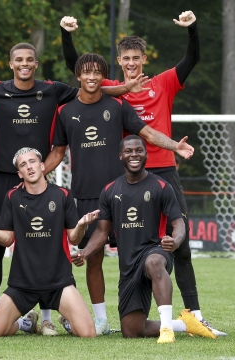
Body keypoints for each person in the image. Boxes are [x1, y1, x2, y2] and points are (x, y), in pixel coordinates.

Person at [0, 43, 147, 336]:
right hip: (2, 177)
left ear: (35, 62)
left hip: (36, 175)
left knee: (44, 241)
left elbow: (90, 90)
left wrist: (123, 88)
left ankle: (46, 315)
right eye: (18, 60)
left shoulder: (53, 89)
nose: (24, 64)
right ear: (11, 64)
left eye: (29, 59)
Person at [61, 12, 225, 336]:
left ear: (144, 59)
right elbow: (78, 69)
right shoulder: (111, 87)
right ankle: (122, 316)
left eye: (137, 57)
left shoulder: (162, 82)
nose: (132, 63)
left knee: (181, 244)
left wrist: (192, 29)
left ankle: (194, 315)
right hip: (128, 176)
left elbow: (193, 58)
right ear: (119, 61)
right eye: (126, 58)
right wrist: (66, 35)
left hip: (162, 169)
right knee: (127, 246)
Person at [49, 53, 194, 335]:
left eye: (97, 73)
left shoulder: (117, 104)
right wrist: (34, 175)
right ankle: (101, 320)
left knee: (144, 255)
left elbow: (148, 133)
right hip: (88, 197)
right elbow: (57, 153)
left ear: (104, 77)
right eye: (86, 72)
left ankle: (161, 318)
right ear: (78, 76)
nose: (91, 77)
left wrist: (175, 146)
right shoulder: (65, 111)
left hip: (126, 195)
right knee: (94, 258)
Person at [73, 135, 216, 343]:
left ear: (146, 154)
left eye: (139, 150)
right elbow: (102, 232)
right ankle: (185, 324)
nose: (134, 155)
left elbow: (179, 224)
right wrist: (85, 252)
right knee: (131, 330)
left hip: (156, 251)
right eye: (129, 151)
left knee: (154, 261)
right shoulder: (109, 191)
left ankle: (167, 328)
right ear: (120, 155)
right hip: (129, 265)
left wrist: (175, 242)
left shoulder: (161, 186)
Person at [0, 147, 99, 338]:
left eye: (32, 162)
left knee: (88, 333)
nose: (29, 167)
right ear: (19, 173)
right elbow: (8, 239)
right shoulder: (12, 197)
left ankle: (67, 319)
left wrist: (81, 225)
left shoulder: (63, 195)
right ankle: (25, 323)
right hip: (22, 284)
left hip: (58, 283)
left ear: (42, 166)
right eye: (23, 165)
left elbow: (74, 238)